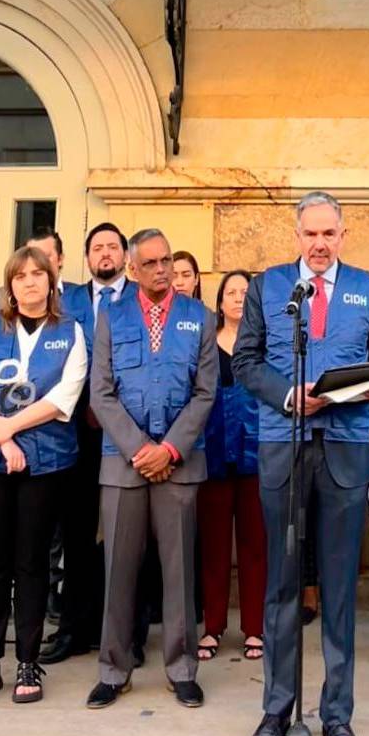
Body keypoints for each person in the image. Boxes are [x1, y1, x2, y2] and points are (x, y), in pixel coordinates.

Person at [233, 191, 369, 736]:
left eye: (330, 235)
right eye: (311, 235)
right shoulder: (270, 287)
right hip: (285, 444)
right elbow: (245, 362)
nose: (320, 244)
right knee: (281, 585)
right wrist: (286, 396)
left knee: (338, 586)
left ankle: (337, 715)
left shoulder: (366, 288)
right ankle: (276, 712)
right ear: (296, 235)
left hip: (347, 447)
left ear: (343, 237)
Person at [87, 228, 218, 710]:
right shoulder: (111, 316)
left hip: (178, 466)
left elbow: (206, 392)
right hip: (123, 465)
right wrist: (140, 447)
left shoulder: (198, 317)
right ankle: (113, 669)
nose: (163, 270)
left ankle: (182, 669)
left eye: (167, 260)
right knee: (118, 571)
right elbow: (100, 392)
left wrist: (170, 449)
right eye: (152, 263)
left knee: (180, 572)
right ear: (132, 269)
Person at [0, 246, 87, 705]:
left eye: (39, 274)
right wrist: (5, 439)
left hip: (46, 462)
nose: (30, 281)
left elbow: (63, 397)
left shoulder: (70, 331)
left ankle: (28, 661)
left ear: (52, 282)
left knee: (31, 563)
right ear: (10, 285)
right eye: (21, 275)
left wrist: (11, 428)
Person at [40, 223, 131, 665]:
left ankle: (121, 633)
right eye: (97, 247)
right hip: (75, 431)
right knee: (77, 533)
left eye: (113, 246)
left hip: (127, 432)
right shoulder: (68, 300)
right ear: (87, 256)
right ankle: (73, 629)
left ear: (125, 255)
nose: (105, 253)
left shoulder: (138, 298)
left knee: (125, 537)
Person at [197, 270, 266, 663]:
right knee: (214, 547)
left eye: (245, 292)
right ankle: (212, 627)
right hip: (212, 453)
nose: (239, 297)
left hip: (257, 455)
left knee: (256, 545)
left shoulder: (263, 344)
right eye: (232, 292)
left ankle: (254, 629)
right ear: (220, 301)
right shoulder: (205, 343)